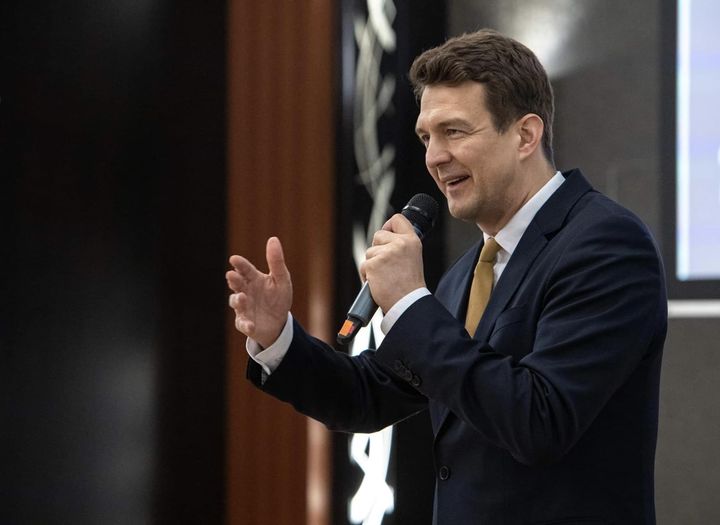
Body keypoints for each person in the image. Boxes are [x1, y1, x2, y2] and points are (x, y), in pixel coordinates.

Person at [227, 29, 667, 525]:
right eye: (426, 137)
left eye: (454, 131)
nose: (434, 157)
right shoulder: (468, 274)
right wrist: (277, 338)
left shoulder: (605, 244)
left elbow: (539, 421)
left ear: (525, 135)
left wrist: (410, 303)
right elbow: (367, 396)